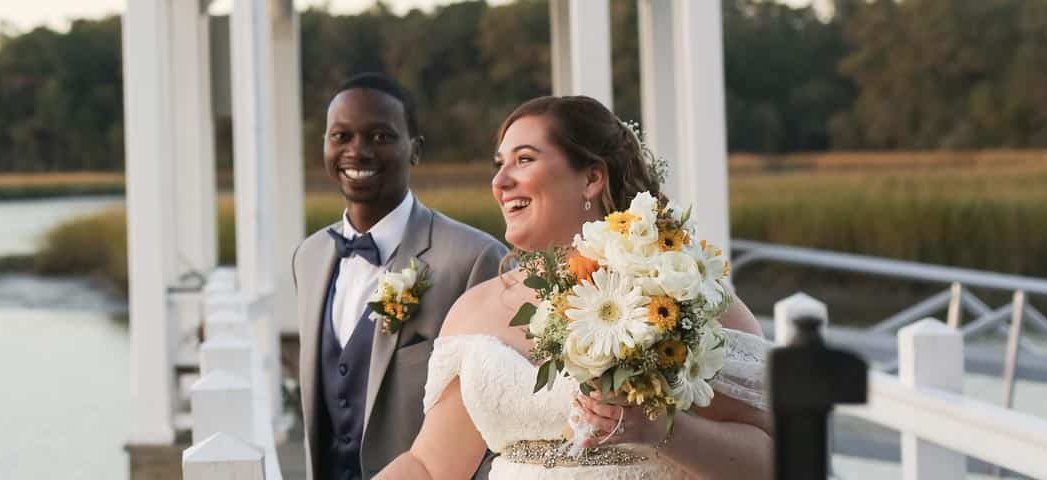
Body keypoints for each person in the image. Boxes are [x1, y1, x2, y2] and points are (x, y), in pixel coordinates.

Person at [376, 95, 774, 479]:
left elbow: (771, 460)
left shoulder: (679, 291)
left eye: (524, 159)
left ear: (591, 178)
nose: (500, 181)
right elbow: (429, 467)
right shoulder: (475, 309)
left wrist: (664, 431)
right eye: (499, 165)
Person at [292, 72, 508, 480]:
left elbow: (498, 419)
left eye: (380, 136)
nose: (358, 151)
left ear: (415, 149)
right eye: (341, 136)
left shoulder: (476, 259)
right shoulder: (308, 257)